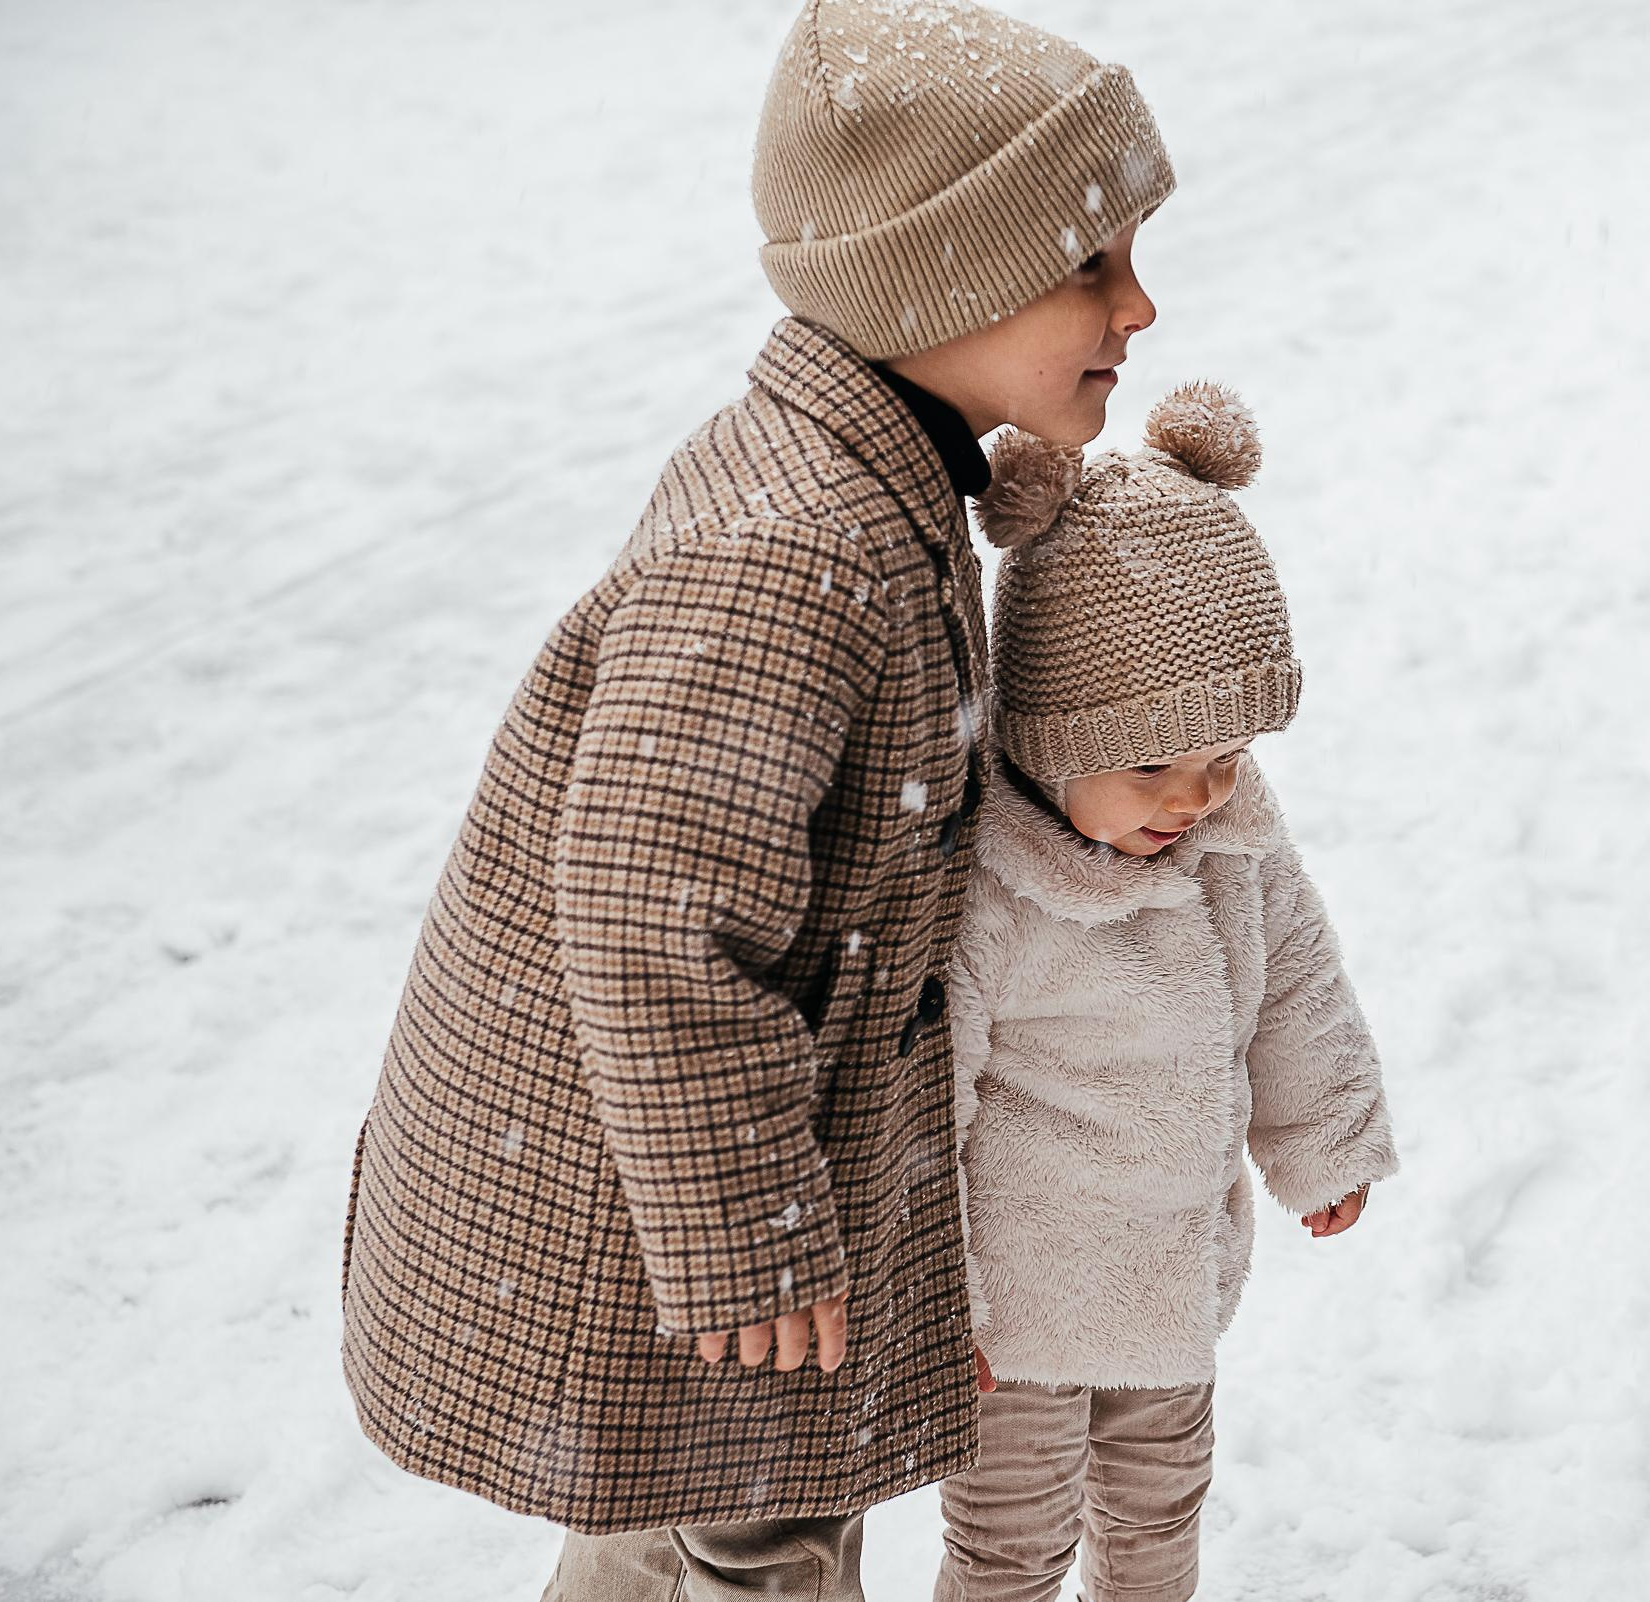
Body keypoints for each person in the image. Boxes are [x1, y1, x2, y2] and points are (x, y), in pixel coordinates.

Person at [336, 3, 1172, 1596]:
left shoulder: (869, 479)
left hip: (715, 1154)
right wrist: (741, 1220)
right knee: (753, 1528)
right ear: (937, 278)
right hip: (669, 1188)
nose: (1139, 304)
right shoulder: (795, 552)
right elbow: (653, 905)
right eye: (1090, 263)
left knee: (718, 1506)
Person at [936, 385, 1399, 1602]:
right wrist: (940, 1294)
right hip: (1014, 1319)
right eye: (1150, 764)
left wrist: (1324, 1143)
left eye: (1226, 758)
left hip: (1171, 1275)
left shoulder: (1235, 845)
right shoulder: (989, 886)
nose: (1193, 798)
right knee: (1008, 1548)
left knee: (1158, 1519)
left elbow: (1297, 990)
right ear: (1045, 732)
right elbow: (921, 1097)